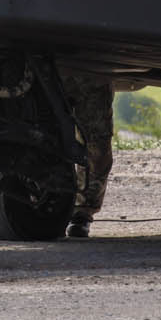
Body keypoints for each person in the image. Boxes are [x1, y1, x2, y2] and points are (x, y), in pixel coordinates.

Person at [59, 67, 114, 239]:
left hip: (92, 67)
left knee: (96, 145)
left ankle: (82, 213)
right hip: (46, 68)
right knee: (40, 139)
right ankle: (47, 208)